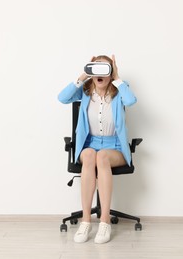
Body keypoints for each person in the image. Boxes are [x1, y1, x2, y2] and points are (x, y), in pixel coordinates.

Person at [58, 55, 137, 244]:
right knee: (89, 154)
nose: (100, 73)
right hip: (89, 144)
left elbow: (131, 101)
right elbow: (62, 98)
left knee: (101, 156)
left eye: (105, 69)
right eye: (96, 69)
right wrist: (83, 75)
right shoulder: (85, 92)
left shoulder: (119, 91)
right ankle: (86, 221)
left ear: (110, 73)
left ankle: (104, 222)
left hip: (114, 146)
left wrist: (117, 77)